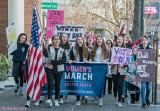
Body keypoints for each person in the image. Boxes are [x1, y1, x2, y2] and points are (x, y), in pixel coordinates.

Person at [44, 35, 66, 107]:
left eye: (58, 39)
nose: (56, 40)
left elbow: (63, 60)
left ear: (60, 41)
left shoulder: (62, 50)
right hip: (49, 68)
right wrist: (44, 49)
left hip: (59, 69)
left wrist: (53, 62)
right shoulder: (49, 48)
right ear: (52, 41)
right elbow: (46, 55)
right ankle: (49, 99)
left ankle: (57, 99)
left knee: (57, 84)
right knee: (50, 84)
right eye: (55, 39)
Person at [69, 36, 89, 106]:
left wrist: (88, 61)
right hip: (76, 69)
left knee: (84, 84)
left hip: (85, 69)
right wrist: (72, 60)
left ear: (83, 41)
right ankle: (78, 99)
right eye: (78, 39)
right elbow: (71, 57)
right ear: (76, 41)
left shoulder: (87, 49)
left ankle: (83, 97)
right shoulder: (73, 49)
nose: (80, 41)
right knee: (78, 84)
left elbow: (90, 58)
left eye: (81, 39)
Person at [138, 36, 156, 109]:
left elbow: (153, 59)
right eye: (143, 40)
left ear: (148, 41)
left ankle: (147, 97)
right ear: (141, 42)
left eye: (145, 40)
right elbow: (136, 59)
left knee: (148, 88)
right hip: (142, 71)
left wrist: (155, 63)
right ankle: (143, 103)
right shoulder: (139, 50)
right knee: (143, 87)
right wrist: (136, 62)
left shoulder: (151, 50)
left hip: (149, 72)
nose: (144, 41)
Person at [110, 36, 128, 107]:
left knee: (120, 85)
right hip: (114, 70)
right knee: (115, 85)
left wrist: (123, 65)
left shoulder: (125, 50)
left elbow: (127, 62)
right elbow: (110, 59)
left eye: (121, 39)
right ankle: (115, 96)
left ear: (123, 41)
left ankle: (119, 101)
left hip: (122, 71)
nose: (119, 41)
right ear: (116, 41)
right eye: (118, 39)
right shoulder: (112, 49)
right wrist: (111, 63)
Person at [90, 36, 107, 106]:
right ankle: (95, 96)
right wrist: (90, 61)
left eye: (100, 39)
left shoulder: (106, 49)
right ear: (96, 41)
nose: (99, 40)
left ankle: (101, 99)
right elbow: (91, 57)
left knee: (101, 84)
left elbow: (108, 58)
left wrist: (105, 60)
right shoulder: (93, 49)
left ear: (102, 41)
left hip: (102, 68)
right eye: (97, 39)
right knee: (94, 83)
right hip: (94, 68)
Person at [59, 33, 72, 104]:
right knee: (60, 82)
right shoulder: (58, 46)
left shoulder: (70, 47)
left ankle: (66, 95)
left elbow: (72, 56)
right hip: (60, 66)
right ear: (61, 38)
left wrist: (71, 60)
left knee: (67, 81)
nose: (64, 38)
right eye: (63, 37)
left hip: (67, 66)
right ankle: (60, 97)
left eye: (66, 37)